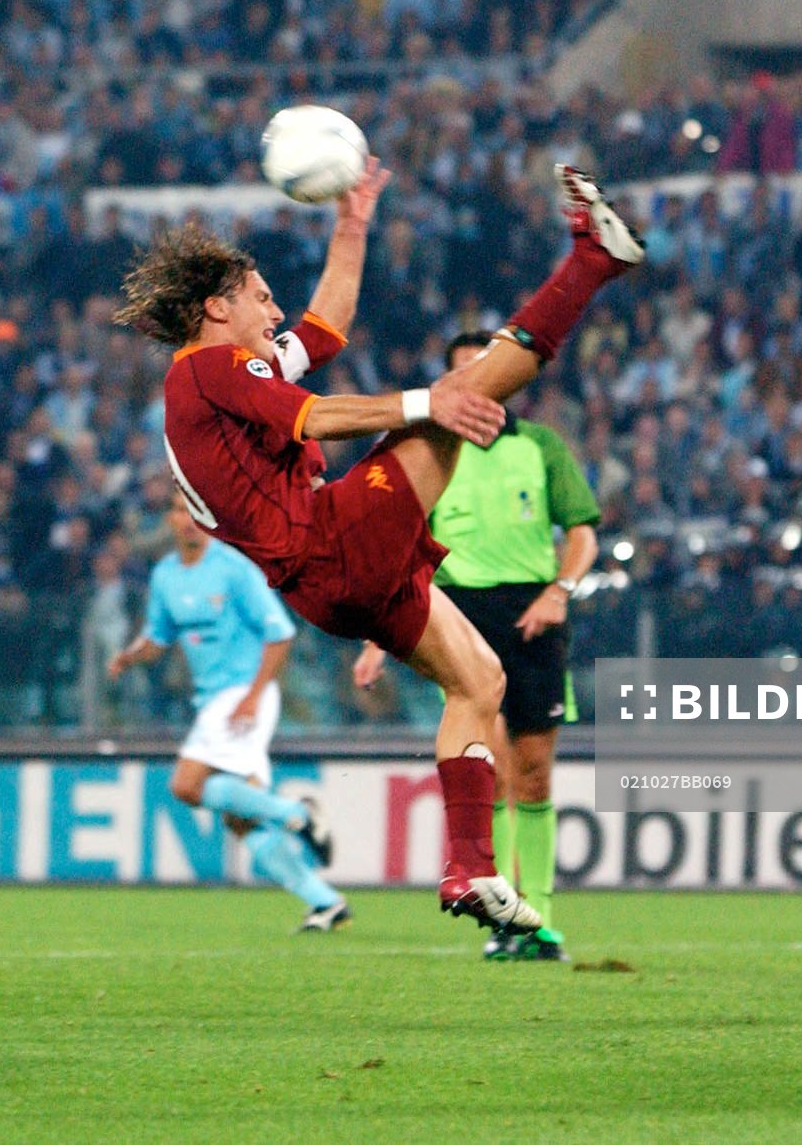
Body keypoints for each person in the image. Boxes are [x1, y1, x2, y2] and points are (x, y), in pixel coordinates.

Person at [117, 159, 641, 931]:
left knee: (480, 682)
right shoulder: (208, 370)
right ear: (216, 307)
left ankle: (470, 869)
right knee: (464, 393)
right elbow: (314, 415)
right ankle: (593, 260)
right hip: (328, 543)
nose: (275, 310)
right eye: (261, 298)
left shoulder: (229, 374)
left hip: (322, 584)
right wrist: (430, 402)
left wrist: (352, 224)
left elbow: (325, 327)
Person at [352, 331, 600, 961]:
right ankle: (504, 918)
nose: (477, 383)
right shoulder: (432, 447)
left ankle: (540, 919)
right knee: (490, 769)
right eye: (462, 374)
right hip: (460, 613)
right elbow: (400, 544)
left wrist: (559, 591)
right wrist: (379, 637)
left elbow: (582, 533)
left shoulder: (540, 445)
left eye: (485, 370)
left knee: (535, 774)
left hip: (534, 616)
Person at [109, 492, 347, 932]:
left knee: (186, 784)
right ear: (169, 518)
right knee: (240, 818)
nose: (187, 519)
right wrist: (130, 656)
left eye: (196, 511)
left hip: (242, 695)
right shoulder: (165, 575)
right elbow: (157, 638)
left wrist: (253, 696)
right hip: (213, 702)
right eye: (179, 510)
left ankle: (295, 814)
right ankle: (326, 902)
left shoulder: (234, 569)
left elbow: (280, 633)